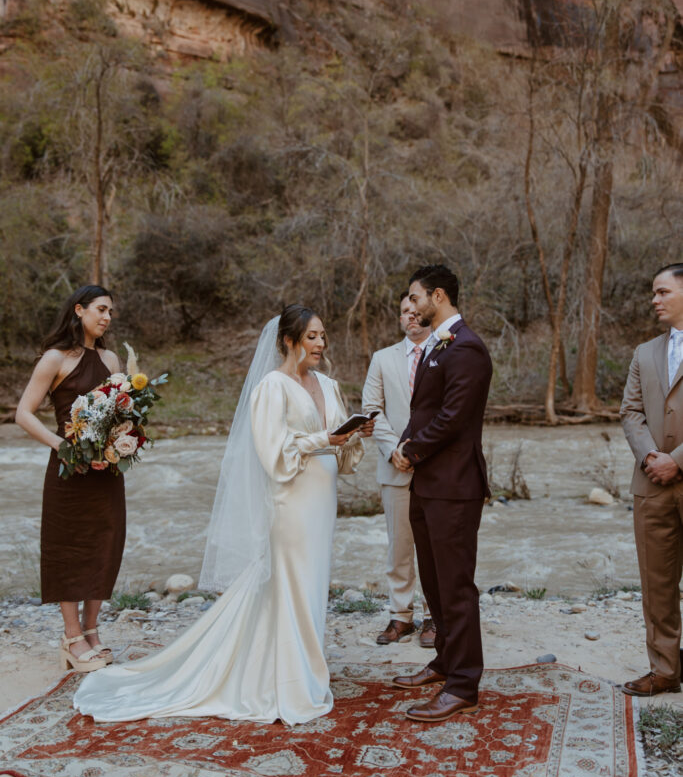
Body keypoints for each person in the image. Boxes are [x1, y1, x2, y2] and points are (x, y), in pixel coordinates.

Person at [73, 304, 373, 725]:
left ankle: (304, 664)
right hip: (291, 501)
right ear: (289, 341)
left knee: (312, 583)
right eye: (312, 336)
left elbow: (340, 446)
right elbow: (273, 452)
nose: (321, 344)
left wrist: (354, 434)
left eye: (323, 336)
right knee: (291, 583)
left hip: (323, 501)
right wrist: (324, 438)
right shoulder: (272, 386)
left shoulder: (326, 382)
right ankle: (289, 680)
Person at [390, 264, 492, 722]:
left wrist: (412, 450)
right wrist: (402, 446)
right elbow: (423, 408)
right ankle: (446, 661)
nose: (410, 307)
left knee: (455, 586)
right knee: (434, 582)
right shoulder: (435, 345)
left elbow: (452, 417)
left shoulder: (466, 347)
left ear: (437, 296)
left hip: (454, 486)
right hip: (427, 483)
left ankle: (464, 684)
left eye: (415, 298)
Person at [15, 284, 125, 674]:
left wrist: (124, 439)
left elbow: (120, 412)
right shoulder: (55, 358)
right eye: (100, 309)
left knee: (104, 545)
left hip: (106, 470)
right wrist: (60, 445)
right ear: (79, 310)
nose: (106, 317)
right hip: (68, 469)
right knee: (69, 548)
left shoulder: (112, 359)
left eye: (110, 311)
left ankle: (93, 630)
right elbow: (23, 414)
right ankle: (72, 636)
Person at [621, 262, 683, 697]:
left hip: (676, 470)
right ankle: (664, 670)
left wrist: (678, 460)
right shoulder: (644, 352)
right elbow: (630, 411)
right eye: (653, 293)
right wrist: (651, 457)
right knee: (657, 584)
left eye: (662, 292)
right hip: (651, 485)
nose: (654, 300)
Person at [362, 292, 434, 646]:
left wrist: (424, 450)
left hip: (437, 467)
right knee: (399, 547)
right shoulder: (382, 359)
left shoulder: (446, 353)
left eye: (416, 310)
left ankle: (436, 617)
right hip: (395, 467)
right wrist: (394, 450)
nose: (410, 316)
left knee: (435, 546)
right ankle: (400, 616)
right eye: (404, 311)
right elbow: (372, 408)